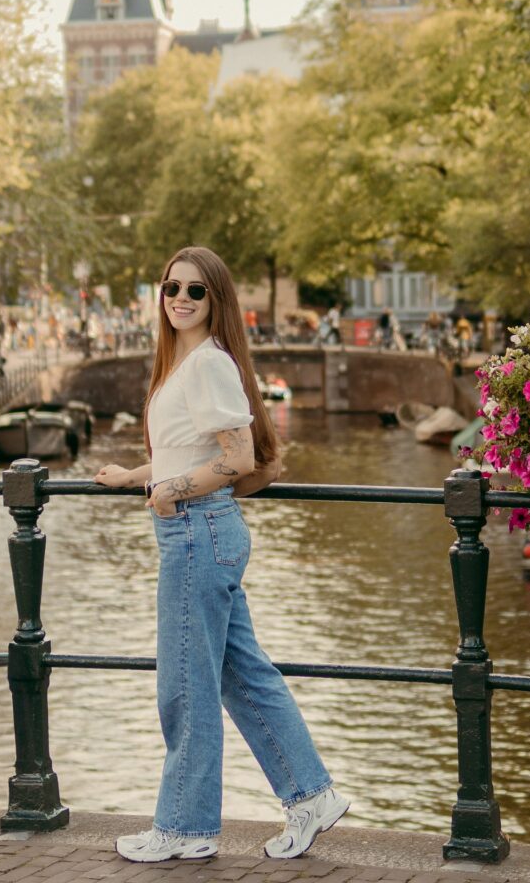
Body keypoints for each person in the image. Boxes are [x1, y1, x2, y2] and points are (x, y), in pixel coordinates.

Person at [95, 246, 349, 864]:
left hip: (196, 532)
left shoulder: (209, 365)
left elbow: (235, 460)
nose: (180, 298)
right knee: (242, 676)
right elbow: (190, 450)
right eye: (170, 287)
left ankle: (185, 828)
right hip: (202, 532)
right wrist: (137, 476)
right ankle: (312, 796)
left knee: (184, 688)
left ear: (217, 300)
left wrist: (168, 494)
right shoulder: (186, 364)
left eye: (195, 290)